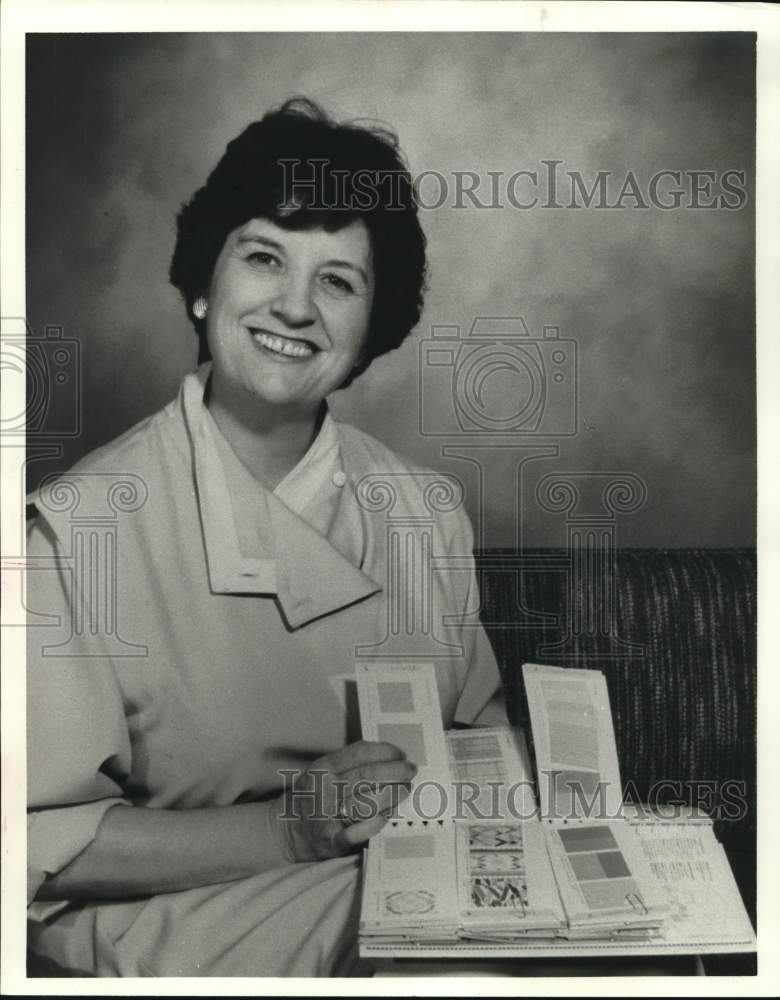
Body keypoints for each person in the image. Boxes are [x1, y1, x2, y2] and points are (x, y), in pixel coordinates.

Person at [26, 97, 508, 977]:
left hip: (410, 898)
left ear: (371, 330)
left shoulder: (425, 510)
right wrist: (289, 829)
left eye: (337, 280)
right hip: (175, 925)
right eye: (263, 257)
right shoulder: (75, 530)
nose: (294, 306)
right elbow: (36, 840)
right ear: (204, 286)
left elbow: (478, 742)